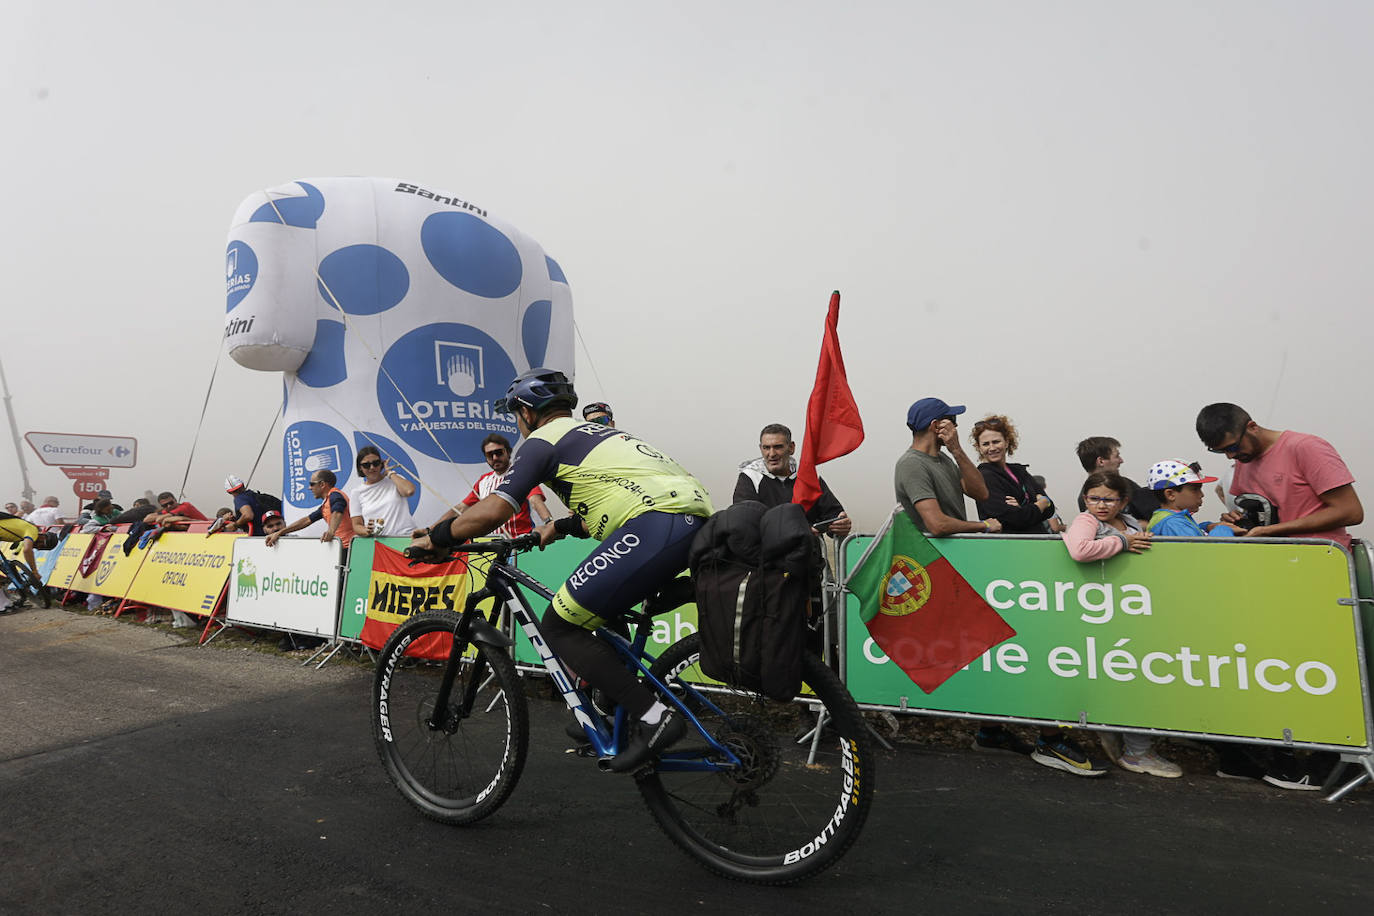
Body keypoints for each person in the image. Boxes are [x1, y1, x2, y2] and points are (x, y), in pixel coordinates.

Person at [410, 368, 713, 773]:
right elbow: (610, 498)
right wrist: (558, 526)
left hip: (657, 523)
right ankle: (606, 709)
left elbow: (498, 508)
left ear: (525, 411)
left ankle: (656, 719)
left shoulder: (542, 441)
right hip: (692, 522)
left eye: (515, 415)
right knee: (604, 616)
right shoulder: (599, 435)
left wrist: (438, 536)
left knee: (559, 625)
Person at [1062, 471, 1180, 778]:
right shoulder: (1087, 522)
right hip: (1101, 611)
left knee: (1133, 677)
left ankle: (1119, 733)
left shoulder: (1128, 522)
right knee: (1131, 679)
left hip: (1129, 610)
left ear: (1123, 501)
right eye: (1093, 498)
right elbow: (1079, 550)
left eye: (1108, 499)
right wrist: (1122, 543)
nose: (1100, 505)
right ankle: (1138, 753)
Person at [1196, 403, 1363, 548]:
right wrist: (1237, 520)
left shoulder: (1306, 448)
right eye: (1221, 451)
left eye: (1232, 447)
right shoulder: (1244, 460)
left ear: (1252, 427)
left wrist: (1270, 531)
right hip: (1275, 561)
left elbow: (1350, 511)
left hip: (1319, 559)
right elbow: (1263, 514)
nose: (1230, 456)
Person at [895, 398, 1001, 536]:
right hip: (932, 555)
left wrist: (956, 450)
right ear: (935, 426)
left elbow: (981, 493)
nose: (956, 426)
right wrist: (983, 526)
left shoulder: (944, 459)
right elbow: (938, 525)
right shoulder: (911, 464)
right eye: (952, 420)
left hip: (952, 553)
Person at [733, 423, 851, 537]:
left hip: (807, 554)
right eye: (766, 448)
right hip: (766, 555)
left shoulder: (808, 476)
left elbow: (833, 514)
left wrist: (840, 525)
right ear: (760, 448)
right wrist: (797, 531)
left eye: (778, 447)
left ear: (791, 448)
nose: (772, 453)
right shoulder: (750, 478)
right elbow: (745, 522)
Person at [427, 434, 551, 538]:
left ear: (508, 453)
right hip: (492, 546)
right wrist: (430, 530)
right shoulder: (483, 481)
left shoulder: (520, 473)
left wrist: (549, 522)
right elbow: (461, 508)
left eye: (498, 453)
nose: (495, 458)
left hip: (519, 544)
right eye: (490, 455)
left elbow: (536, 500)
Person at [970, 415, 1063, 534]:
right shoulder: (984, 476)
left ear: (1007, 442)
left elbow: (1050, 509)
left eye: (996, 442)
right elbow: (1015, 519)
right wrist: (1042, 503)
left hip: (1037, 542)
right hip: (1010, 546)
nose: (992, 448)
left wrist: (1025, 509)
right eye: (986, 444)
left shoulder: (1019, 471)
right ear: (979, 448)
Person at [1143, 461, 1241, 537]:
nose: (1201, 495)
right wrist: (1223, 529)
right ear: (1170, 494)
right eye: (1195, 490)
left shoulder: (1173, 519)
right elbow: (1205, 553)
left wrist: (1207, 527)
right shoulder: (1172, 523)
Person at [1074, 437, 1157, 522]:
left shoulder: (1127, 484)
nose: (1121, 460)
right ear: (1101, 461)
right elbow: (1106, 528)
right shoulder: (1086, 499)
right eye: (1117, 456)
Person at [265, 469, 353, 548]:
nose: (309, 488)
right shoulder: (326, 503)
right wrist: (280, 532)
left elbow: (337, 512)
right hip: (341, 547)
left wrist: (330, 532)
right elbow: (307, 520)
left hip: (349, 547)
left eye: (312, 484)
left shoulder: (335, 495)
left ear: (322, 484)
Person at [348, 446, 417, 538]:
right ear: (360, 468)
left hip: (406, 537)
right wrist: (366, 530)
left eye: (376, 463)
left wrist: (389, 472)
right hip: (380, 542)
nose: (372, 467)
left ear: (381, 464)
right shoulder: (356, 492)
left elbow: (409, 491)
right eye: (366, 465)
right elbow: (356, 525)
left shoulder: (394, 480)